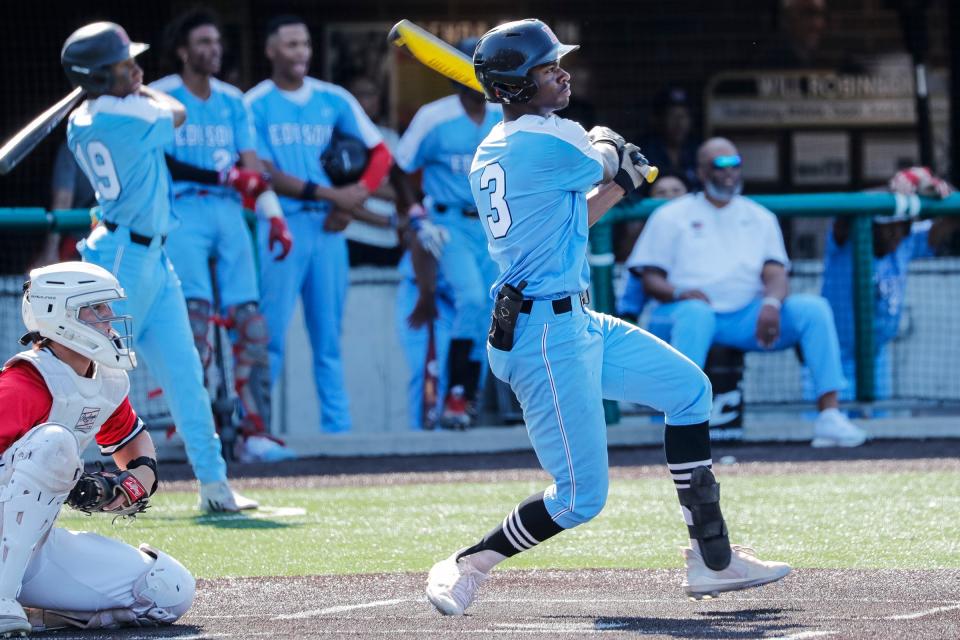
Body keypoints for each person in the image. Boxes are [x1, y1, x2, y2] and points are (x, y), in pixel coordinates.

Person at [425, 19, 790, 616]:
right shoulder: (543, 141)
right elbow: (603, 150)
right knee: (579, 498)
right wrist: (615, 153)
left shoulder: (510, 144)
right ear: (517, 86)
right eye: (547, 69)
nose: (562, 73)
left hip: (572, 321)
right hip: (544, 335)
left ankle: (712, 560)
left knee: (689, 391)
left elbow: (575, 215)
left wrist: (621, 182)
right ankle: (470, 564)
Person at [62, 21, 256, 511]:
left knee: (185, 373)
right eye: (125, 65)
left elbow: (149, 104)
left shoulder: (80, 119)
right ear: (101, 76)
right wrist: (135, 89)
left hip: (150, 258)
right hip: (121, 262)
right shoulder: (129, 117)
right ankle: (41, 479)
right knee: (90, 382)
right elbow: (179, 110)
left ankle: (214, 486)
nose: (137, 69)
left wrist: (122, 84)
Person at [628, 137, 868, 448]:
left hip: (745, 316)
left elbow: (776, 272)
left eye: (735, 164)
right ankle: (681, 422)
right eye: (720, 165)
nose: (729, 171)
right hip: (681, 313)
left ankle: (830, 416)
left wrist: (771, 303)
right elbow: (650, 279)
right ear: (701, 172)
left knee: (813, 308)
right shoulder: (671, 214)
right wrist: (679, 292)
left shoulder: (760, 216)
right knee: (696, 314)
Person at [0, 262, 195, 635]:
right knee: (55, 443)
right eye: (98, 308)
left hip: (32, 548)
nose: (110, 318)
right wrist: (57, 474)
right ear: (61, 315)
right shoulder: (27, 381)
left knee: (168, 589)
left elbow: (134, 443)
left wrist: (127, 485)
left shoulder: (102, 380)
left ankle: (29, 609)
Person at [150, 8, 296, 463]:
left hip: (231, 214)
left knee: (251, 323)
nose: (212, 50)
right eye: (202, 42)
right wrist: (224, 176)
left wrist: (274, 215)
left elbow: (249, 167)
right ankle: (191, 428)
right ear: (182, 50)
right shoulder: (161, 97)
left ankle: (255, 432)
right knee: (193, 323)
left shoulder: (234, 100)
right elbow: (166, 161)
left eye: (216, 42)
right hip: (183, 210)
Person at [243, 15, 392, 434]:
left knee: (328, 341)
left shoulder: (333, 98)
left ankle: (338, 434)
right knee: (269, 338)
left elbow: (380, 154)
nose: (300, 53)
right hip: (281, 226)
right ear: (271, 50)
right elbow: (265, 171)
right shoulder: (254, 103)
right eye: (290, 45)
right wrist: (335, 197)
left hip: (328, 230)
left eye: (304, 44)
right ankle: (258, 433)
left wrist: (355, 198)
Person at [393, 38, 502, 428]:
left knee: (490, 311)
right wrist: (416, 214)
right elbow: (400, 168)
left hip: (492, 225)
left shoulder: (503, 116)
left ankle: (465, 397)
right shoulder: (434, 116)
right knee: (471, 298)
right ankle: (458, 393)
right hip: (448, 221)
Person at [821, 167, 959, 400]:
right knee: (833, 433)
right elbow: (849, 207)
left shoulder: (906, 243)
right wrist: (896, 186)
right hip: (834, 357)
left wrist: (933, 186)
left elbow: (953, 215)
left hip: (876, 357)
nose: (898, 234)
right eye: (890, 228)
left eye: (903, 227)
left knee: (879, 430)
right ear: (873, 226)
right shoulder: (847, 240)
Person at [618, 173, 690, 324]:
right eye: (661, 192)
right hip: (655, 310)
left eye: (676, 191)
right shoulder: (642, 227)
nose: (669, 196)